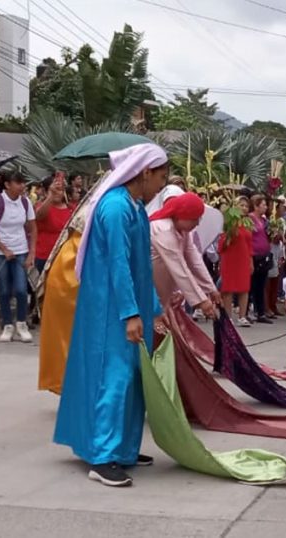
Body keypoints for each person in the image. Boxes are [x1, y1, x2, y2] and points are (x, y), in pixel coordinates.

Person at [54, 142, 168, 488]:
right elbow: (118, 264)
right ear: (145, 172)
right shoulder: (116, 207)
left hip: (129, 305)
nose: (162, 185)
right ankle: (102, 456)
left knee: (134, 378)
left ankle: (123, 449)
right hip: (110, 309)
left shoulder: (135, 207)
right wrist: (131, 314)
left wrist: (154, 309)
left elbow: (140, 269)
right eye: (161, 177)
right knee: (114, 378)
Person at [0, 171, 37, 343]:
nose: (21, 186)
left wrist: (32, 252)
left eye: (23, 183)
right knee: (4, 289)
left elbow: (33, 228)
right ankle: (7, 324)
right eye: (17, 183)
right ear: (7, 185)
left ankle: (21, 323)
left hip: (20, 249)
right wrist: (4, 248)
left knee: (21, 289)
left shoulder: (25, 202)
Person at [149, 192, 219, 319]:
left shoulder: (182, 230)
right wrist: (202, 301)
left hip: (163, 289)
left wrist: (211, 288)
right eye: (194, 218)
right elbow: (179, 268)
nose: (197, 223)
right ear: (181, 216)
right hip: (149, 289)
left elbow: (194, 260)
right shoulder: (162, 229)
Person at [220, 196, 253, 327]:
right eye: (242, 205)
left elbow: (250, 244)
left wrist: (251, 260)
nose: (244, 208)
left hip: (243, 258)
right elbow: (222, 242)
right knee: (228, 288)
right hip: (230, 258)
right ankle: (228, 317)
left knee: (244, 288)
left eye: (246, 206)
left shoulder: (247, 223)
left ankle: (242, 316)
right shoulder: (228, 222)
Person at [35, 174, 75, 273]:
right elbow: (39, 215)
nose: (58, 193)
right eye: (53, 190)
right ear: (46, 191)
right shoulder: (41, 206)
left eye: (60, 190)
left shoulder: (71, 208)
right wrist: (51, 196)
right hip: (44, 255)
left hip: (64, 255)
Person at [248, 194, 274, 324]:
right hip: (254, 255)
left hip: (264, 255)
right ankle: (248, 311)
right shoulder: (250, 219)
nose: (265, 207)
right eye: (263, 205)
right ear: (256, 206)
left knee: (261, 284)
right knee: (252, 284)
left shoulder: (264, 220)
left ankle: (261, 312)